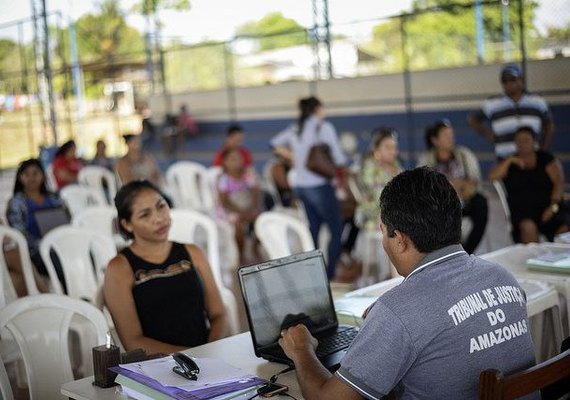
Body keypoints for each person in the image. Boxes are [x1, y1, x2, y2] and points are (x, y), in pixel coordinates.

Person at [279, 167, 537, 399]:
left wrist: (302, 350)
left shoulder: (397, 311)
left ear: (400, 239)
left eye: (383, 231)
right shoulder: (503, 278)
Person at [103, 180, 228, 354]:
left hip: (207, 356)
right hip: (159, 367)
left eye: (161, 206)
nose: (159, 218)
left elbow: (218, 314)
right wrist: (190, 356)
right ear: (127, 224)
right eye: (145, 215)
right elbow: (133, 341)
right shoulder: (119, 268)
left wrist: (211, 350)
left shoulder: (193, 253)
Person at [270, 96, 348, 280]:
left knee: (314, 228)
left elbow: (275, 144)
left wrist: (295, 158)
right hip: (319, 186)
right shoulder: (324, 127)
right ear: (317, 109)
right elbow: (338, 158)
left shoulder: (295, 128)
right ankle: (329, 274)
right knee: (336, 228)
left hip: (301, 187)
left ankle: (314, 272)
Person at [417, 119, 489, 254]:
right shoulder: (426, 159)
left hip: (464, 201)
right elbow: (422, 185)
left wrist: (464, 185)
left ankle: (467, 252)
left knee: (481, 204)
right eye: (445, 136)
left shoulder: (464, 155)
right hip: (439, 205)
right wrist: (448, 185)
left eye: (451, 135)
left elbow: (475, 180)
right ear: (435, 140)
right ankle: (445, 253)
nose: (451, 139)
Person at [489, 126, 569, 243]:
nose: (522, 144)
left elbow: (559, 183)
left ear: (534, 142)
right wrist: (510, 160)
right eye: (518, 141)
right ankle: (535, 260)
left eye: (526, 140)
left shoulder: (545, 159)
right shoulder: (510, 163)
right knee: (528, 228)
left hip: (550, 208)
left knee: (564, 228)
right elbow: (492, 177)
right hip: (523, 213)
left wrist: (553, 206)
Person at [468, 64, 554, 159]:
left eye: (512, 79)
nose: (508, 83)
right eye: (505, 81)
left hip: (532, 159)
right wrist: (490, 135)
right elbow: (473, 119)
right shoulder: (492, 104)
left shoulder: (537, 101)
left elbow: (548, 125)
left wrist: (543, 148)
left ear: (520, 79)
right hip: (505, 159)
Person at [6, 158, 65, 279]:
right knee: (61, 264)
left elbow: (68, 220)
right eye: (26, 174)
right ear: (20, 178)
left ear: (43, 176)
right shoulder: (17, 203)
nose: (31, 178)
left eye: (35, 173)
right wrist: (47, 245)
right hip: (37, 252)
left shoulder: (54, 197)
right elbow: (20, 235)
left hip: (62, 243)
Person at [216, 148, 263, 263]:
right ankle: (241, 253)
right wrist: (241, 213)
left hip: (248, 207)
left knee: (261, 220)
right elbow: (225, 202)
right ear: (225, 163)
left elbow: (256, 193)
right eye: (232, 159)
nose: (236, 161)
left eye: (238, 158)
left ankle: (255, 248)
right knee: (237, 225)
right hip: (231, 210)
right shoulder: (224, 179)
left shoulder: (248, 175)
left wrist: (252, 209)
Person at [357, 128, 403, 231]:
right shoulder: (369, 167)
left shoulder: (396, 166)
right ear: (376, 149)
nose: (393, 152)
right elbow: (375, 194)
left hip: (391, 219)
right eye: (388, 147)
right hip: (371, 219)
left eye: (394, 148)